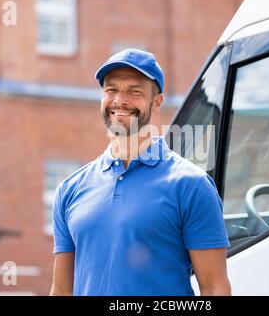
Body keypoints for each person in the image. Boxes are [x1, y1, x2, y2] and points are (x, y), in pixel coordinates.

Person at [50, 48, 231, 296]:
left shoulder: (191, 185)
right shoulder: (70, 190)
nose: (120, 100)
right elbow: (61, 291)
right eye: (111, 89)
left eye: (134, 91)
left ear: (157, 101)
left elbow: (214, 287)